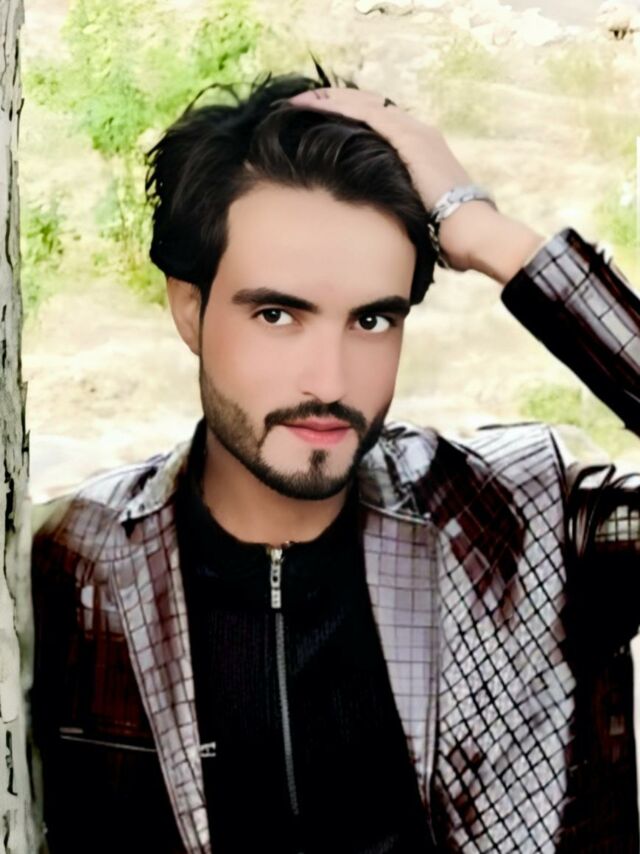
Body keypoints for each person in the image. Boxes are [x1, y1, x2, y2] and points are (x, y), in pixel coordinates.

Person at [29, 65, 640, 853]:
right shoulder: (76, 563)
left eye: (372, 321)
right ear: (189, 307)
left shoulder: (525, 524)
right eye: (277, 315)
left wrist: (490, 237)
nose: (330, 382)